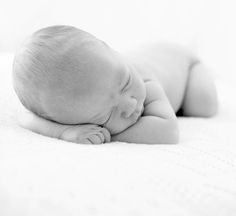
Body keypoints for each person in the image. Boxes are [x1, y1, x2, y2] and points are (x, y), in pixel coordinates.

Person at [13, 25, 218, 144]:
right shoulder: (99, 83)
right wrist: (65, 132)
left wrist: (107, 132)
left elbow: (168, 132)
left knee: (202, 105)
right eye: (106, 115)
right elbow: (27, 118)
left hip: (185, 64)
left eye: (125, 82)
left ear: (110, 49)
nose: (130, 105)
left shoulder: (144, 81)